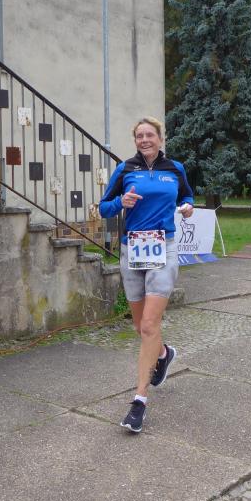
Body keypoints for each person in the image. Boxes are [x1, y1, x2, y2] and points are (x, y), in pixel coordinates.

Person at [99, 117, 194, 433]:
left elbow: (187, 197)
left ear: (160, 137)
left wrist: (188, 208)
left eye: (149, 134)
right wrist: (120, 202)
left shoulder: (175, 169)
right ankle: (164, 354)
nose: (144, 140)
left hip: (163, 248)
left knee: (151, 324)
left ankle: (139, 400)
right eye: (139, 136)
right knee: (140, 326)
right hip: (133, 249)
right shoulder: (125, 169)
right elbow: (104, 208)